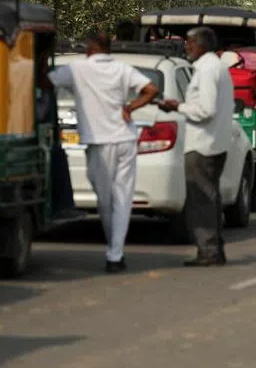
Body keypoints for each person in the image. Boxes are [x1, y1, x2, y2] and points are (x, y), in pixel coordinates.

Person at [47, 30, 159, 273]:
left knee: (105, 200)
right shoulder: (122, 69)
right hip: (125, 138)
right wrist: (131, 107)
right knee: (122, 199)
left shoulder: (77, 69)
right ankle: (114, 251)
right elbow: (151, 89)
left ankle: (115, 253)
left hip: (99, 142)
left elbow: (47, 81)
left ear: (90, 48)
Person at [159, 26, 233, 267]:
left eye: (190, 42)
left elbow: (206, 110)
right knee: (209, 198)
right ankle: (214, 250)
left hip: (203, 144)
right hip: (212, 142)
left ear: (201, 44)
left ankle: (208, 251)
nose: (186, 47)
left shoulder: (208, 69)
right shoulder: (213, 66)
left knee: (201, 200)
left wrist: (177, 107)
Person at [35, 46, 83, 221]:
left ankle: (62, 206)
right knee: (56, 156)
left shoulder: (48, 77)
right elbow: (39, 113)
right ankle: (62, 206)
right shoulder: (35, 79)